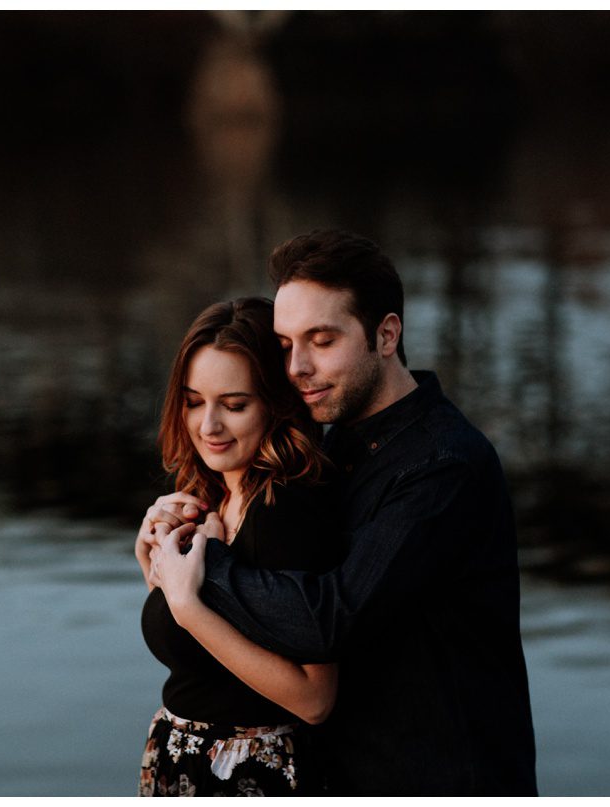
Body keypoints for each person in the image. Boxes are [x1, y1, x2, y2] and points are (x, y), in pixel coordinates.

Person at [147, 230, 538, 795]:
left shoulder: (443, 465)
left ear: (386, 334)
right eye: (284, 345)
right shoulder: (335, 449)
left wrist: (205, 569)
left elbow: (332, 619)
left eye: (322, 340)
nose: (297, 367)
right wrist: (169, 547)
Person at [135, 297, 345, 797]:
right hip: (183, 763)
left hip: (251, 775)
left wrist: (187, 607)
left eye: (233, 405)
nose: (208, 426)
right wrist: (151, 557)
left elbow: (316, 698)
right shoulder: (215, 496)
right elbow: (205, 647)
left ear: (277, 404)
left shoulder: (287, 512)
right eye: (193, 401)